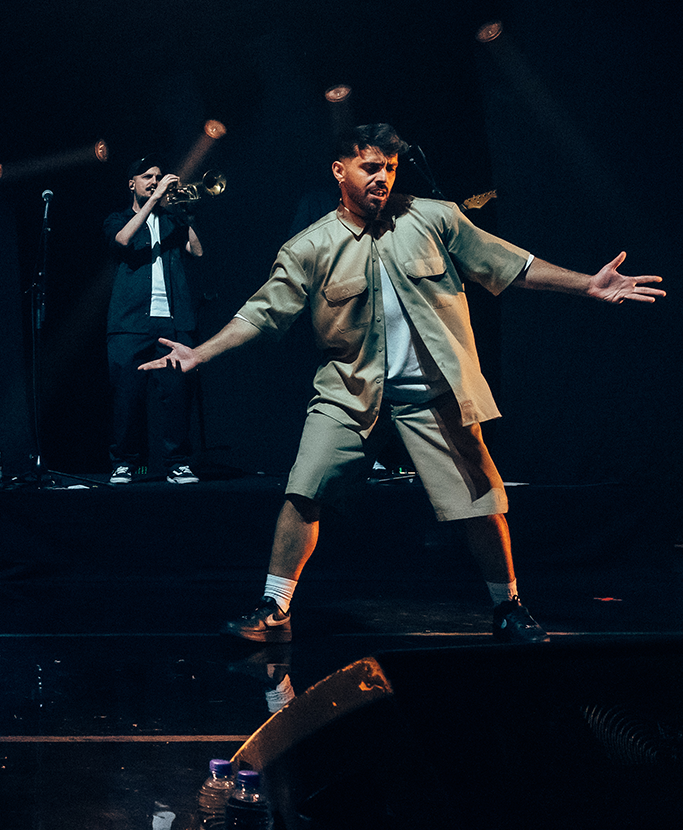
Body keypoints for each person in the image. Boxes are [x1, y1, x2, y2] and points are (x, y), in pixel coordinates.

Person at [141, 124, 663, 643]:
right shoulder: (310, 246)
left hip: (434, 393)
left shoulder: (435, 218)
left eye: (390, 168)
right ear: (339, 171)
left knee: (481, 501)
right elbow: (261, 313)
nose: (383, 178)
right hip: (349, 393)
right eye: (371, 167)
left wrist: (587, 285)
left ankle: (509, 607)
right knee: (304, 490)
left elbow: (510, 264)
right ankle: (274, 610)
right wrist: (198, 354)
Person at [104, 158, 204, 484]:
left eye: (158, 177)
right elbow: (122, 240)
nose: (154, 181)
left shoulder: (172, 220)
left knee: (176, 395)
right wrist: (154, 199)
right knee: (127, 397)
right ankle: (124, 462)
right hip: (130, 323)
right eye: (147, 176)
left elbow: (197, 252)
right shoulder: (118, 219)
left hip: (173, 321)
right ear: (131, 183)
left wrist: (186, 215)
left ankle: (177, 463)